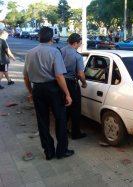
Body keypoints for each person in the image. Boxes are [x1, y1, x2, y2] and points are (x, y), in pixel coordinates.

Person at [23, 27, 74, 160]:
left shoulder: (30, 53)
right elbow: (59, 75)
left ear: (39, 37)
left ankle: (48, 152)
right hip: (53, 89)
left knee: (42, 121)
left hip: (37, 90)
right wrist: (67, 94)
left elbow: (26, 77)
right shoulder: (54, 52)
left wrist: (30, 92)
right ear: (52, 38)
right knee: (60, 119)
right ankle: (61, 151)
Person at [61, 33, 87, 140]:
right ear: (75, 43)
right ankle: (75, 133)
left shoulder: (60, 51)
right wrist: (84, 83)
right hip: (72, 83)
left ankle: (63, 129)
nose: (80, 45)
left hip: (60, 82)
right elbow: (80, 74)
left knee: (64, 107)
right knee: (75, 109)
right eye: (80, 43)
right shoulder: (77, 56)